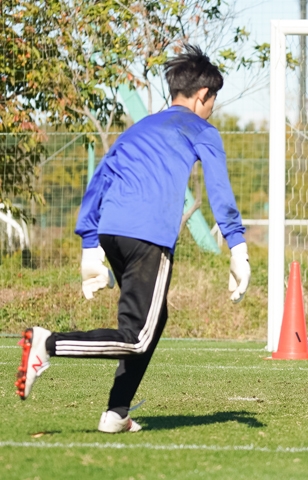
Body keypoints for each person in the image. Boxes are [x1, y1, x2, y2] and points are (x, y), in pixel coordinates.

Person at [15, 44, 250, 433]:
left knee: (150, 324)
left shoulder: (137, 129)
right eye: (213, 101)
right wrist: (237, 246)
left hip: (111, 230)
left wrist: (90, 245)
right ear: (203, 95)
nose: (212, 109)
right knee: (138, 337)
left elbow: (99, 182)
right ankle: (45, 343)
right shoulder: (202, 129)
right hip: (149, 236)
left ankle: (116, 413)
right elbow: (220, 191)